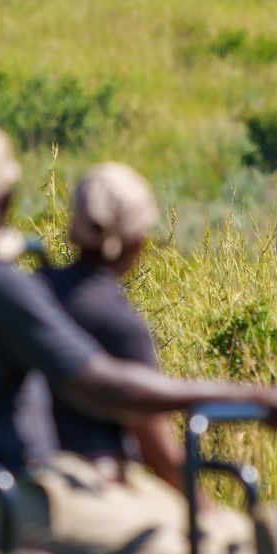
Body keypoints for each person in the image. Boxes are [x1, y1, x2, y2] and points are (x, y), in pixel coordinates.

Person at [0, 117, 277, 554]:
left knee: (217, 534)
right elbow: (100, 384)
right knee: (217, 551)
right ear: (7, 197)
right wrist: (244, 394)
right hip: (5, 500)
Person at [37, 163, 181, 483]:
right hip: (93, 485)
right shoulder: (120, 324)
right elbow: (163, 457)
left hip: (25, 480)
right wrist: (209, 515)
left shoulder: (29, 291)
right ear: (139, 244)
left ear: (72, 230)